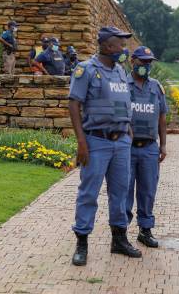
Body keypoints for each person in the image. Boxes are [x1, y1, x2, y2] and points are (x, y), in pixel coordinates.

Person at [68, 26, 140, 266]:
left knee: (120, 192)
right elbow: (74, 105)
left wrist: (127, 127)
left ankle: (118, 239)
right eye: (121, 44)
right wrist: (81, 142)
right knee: (89, 192)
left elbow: (122, 102)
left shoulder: (120, 71)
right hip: (96, 141)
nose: (124, 49)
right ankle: (82, 242)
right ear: (108, 46)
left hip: (121, 142)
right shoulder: (86, 70)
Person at [126, 46, 167, 248]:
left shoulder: (156, 87)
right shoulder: (123, 85)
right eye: (143, 62)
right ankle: (120, 232)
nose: (146, 65)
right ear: (133, 61)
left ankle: (145, 230)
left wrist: (164, 145)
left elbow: (162, 117)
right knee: (123, 190)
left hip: (150, 147)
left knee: (148, 190)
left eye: (149, 62)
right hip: (127, 147)